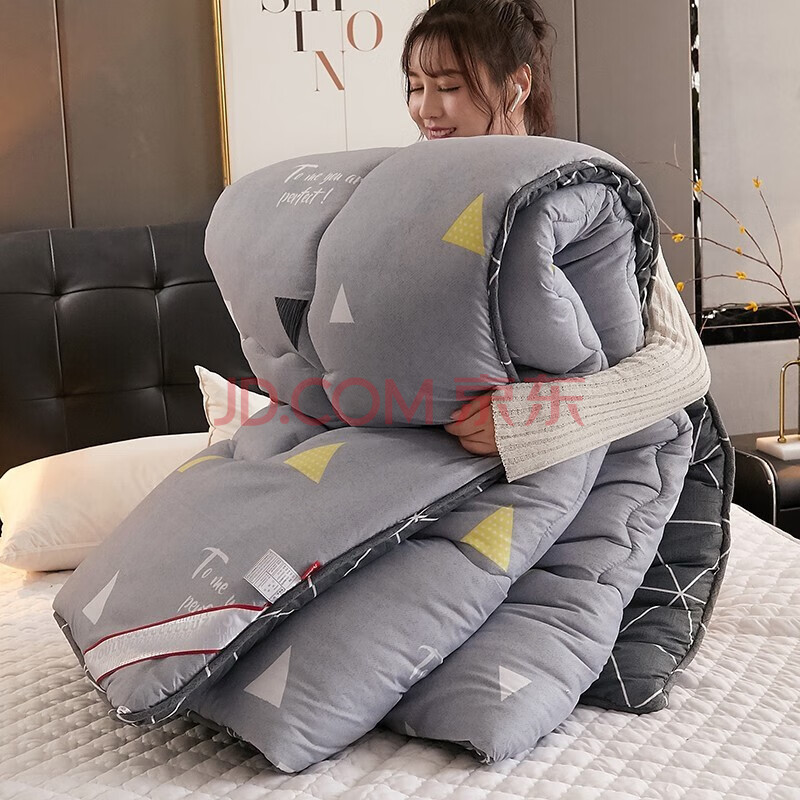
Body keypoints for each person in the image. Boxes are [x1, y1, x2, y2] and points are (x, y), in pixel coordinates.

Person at [400, 0, 712, 481]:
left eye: (448, 87)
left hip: (593, 468)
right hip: (434, 464)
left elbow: (685, 366)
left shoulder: (584, 195)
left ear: (517, 85)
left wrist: (536, 422)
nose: (425, 110)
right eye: (415, 87)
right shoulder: (405, 197)